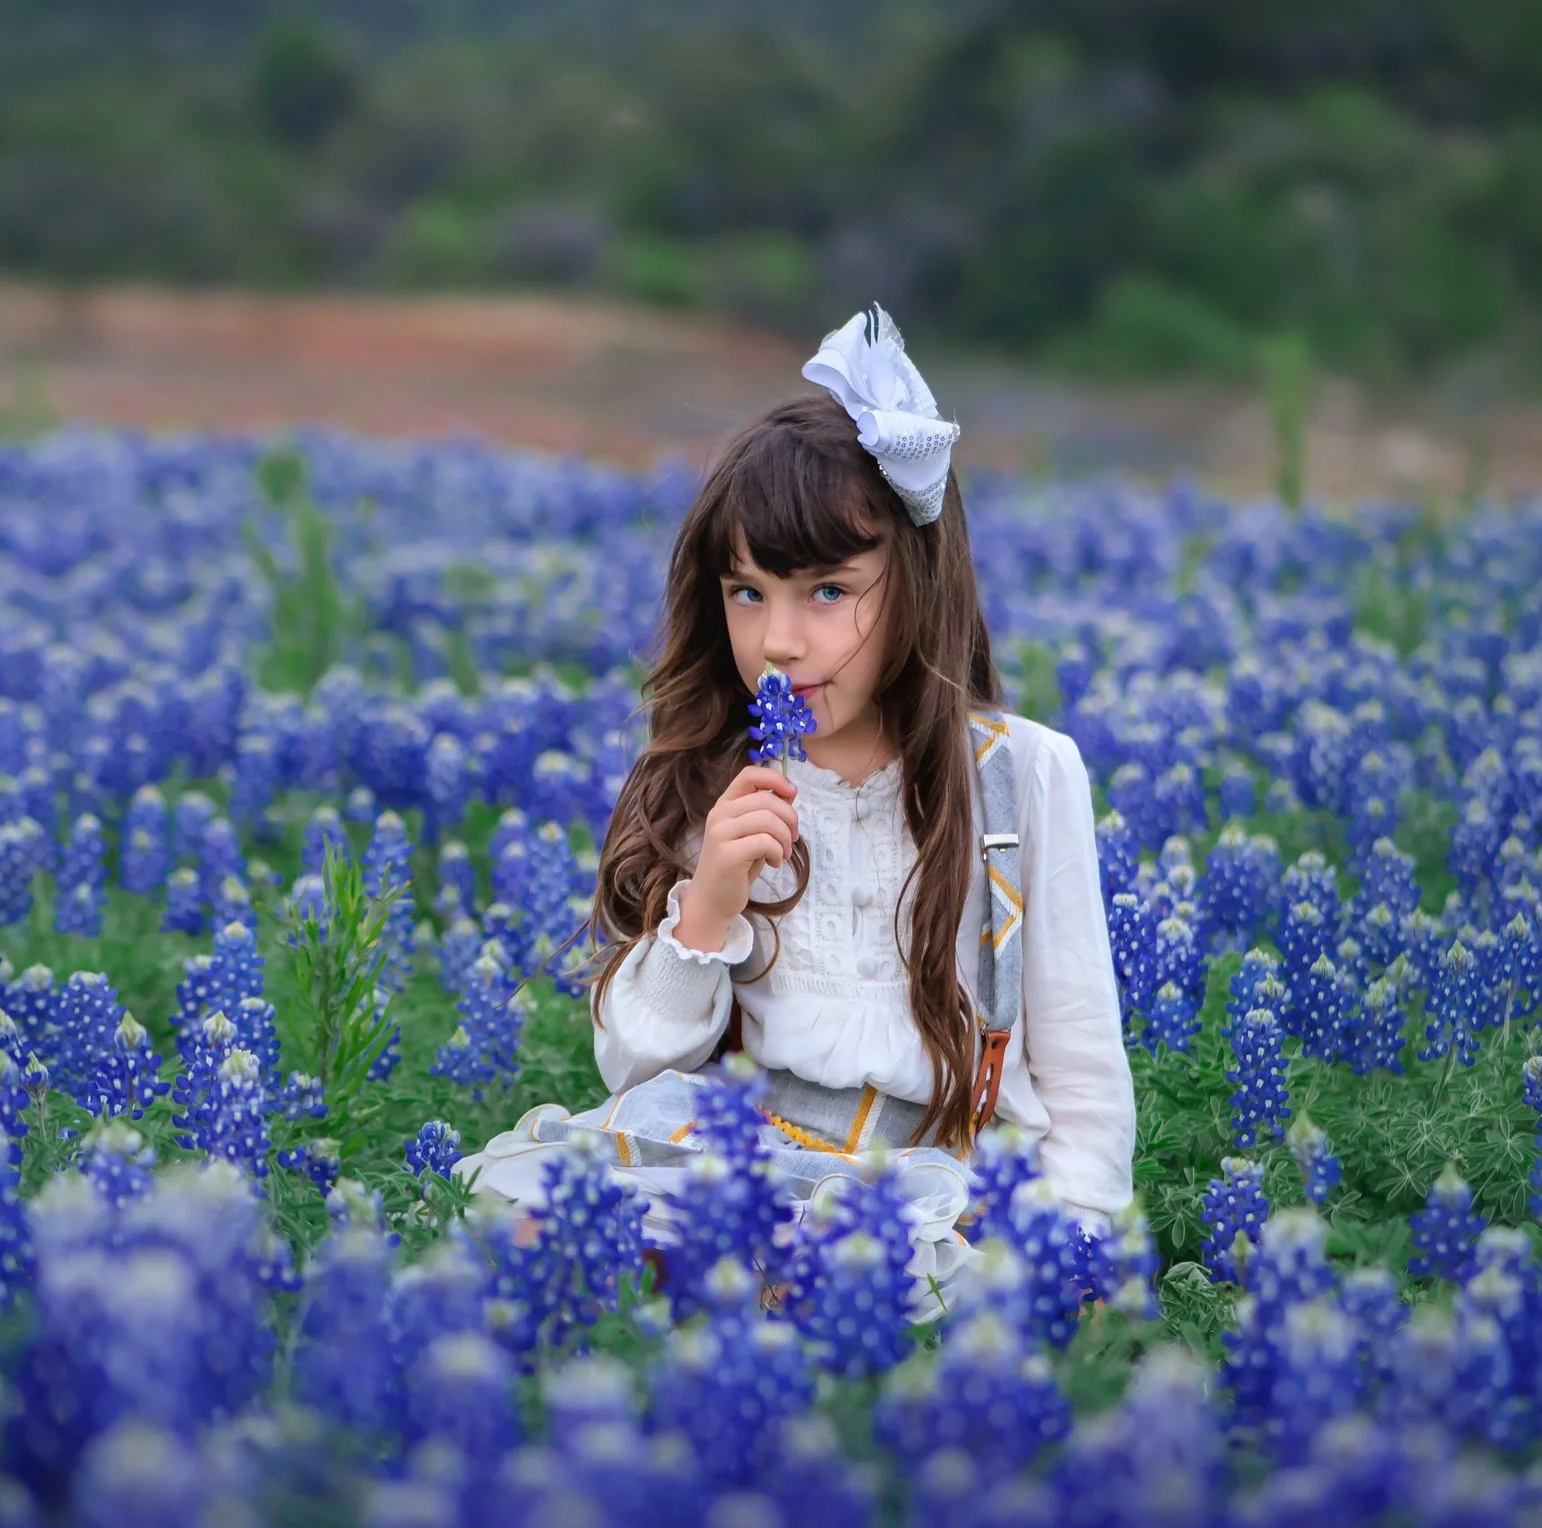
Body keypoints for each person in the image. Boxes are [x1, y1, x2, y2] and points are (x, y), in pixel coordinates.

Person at [456, 303, 1135, 1319]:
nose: (778, 640)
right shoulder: (710, 775)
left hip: (936, 1186)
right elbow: (635, 1062)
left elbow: (1079, 1069)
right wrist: (708, 903)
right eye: (746, 592)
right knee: (530, 1228)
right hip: (738, 1159)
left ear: (913, 581)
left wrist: (1077, 1237)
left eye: (827, 592)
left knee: (858, 1290)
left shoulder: (1024, 775)